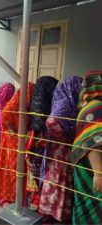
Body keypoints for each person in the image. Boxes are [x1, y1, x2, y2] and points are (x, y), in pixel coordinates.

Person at [39, 76, 83, 222]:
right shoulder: (65, 104)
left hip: (61, 153)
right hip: (60, 153)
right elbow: (51, 122)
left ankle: (55, 214)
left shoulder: (69, 103)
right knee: (58, 181)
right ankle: (54, 214)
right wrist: (66, 135)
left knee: (59, 181)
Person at [0, 83, 33, 205]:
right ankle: (8, 197)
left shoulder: (25, 105)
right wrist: (13, 131)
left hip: (16, 139)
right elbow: (5, 115)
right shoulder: (14, 103)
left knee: (14, 168)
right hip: (11, 140)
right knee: (12, 167)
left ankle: (13, 196)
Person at [71, 71, 102, 225]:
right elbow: (93, 141)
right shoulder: (95, 107)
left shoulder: (88, 105)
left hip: (87, 166)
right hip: (91, 168)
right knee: (92, 207)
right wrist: (99, 173)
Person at [26, 76, 58, 210]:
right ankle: (35, 205)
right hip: (39, 142)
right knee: (39, 174)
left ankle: (33, 204)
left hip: (34, 140)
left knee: (35, 174)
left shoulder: (36, 101)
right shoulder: (45, 106)